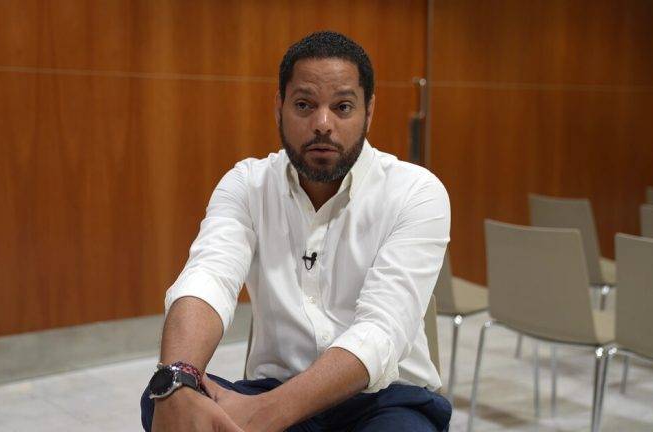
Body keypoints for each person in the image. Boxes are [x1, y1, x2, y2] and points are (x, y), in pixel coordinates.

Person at [141, 30, 451, 431]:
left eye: (342, 107)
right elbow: (208, 278)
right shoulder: (248, 185)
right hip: (275, 384)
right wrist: (177, 379)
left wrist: (264, 414)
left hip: (384, 400)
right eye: (304, 105)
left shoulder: (415, 191)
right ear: (279, 107)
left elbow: (381, 331)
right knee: (167, 402)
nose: (322, 124)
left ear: (369, 111)